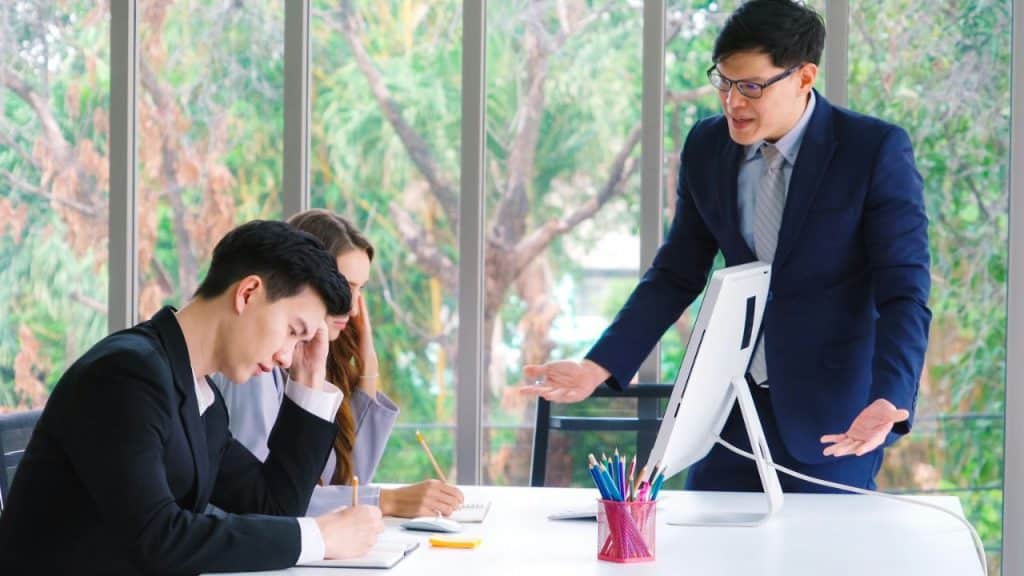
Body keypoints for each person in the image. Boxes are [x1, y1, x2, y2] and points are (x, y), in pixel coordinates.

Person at [521, 0, 931, 493]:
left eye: (752, 86)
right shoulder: (707, 147)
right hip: (726, 410)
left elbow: (903, 291)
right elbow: (677, 272)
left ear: (804, 77)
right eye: (725, 82)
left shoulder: (872, 150)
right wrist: (598, 366)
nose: (733, 102)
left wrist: (890, 396)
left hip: (834, 421)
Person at [0, 220, 384, 574]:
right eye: (291, 330)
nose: (287, 355)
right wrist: (320, 537)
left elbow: (273, 507)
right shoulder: (125, 375)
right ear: (248, 293)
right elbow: (157, 537)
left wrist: (308, 380)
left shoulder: (199, 394)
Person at [214, 209, 464, 518]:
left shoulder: (315, 364)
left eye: (360, 289)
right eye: (344, 284)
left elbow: (348, 479)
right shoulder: (256, 367)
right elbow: (262, 501)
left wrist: (367, 364)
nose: (352, 307)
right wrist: (388, 501)